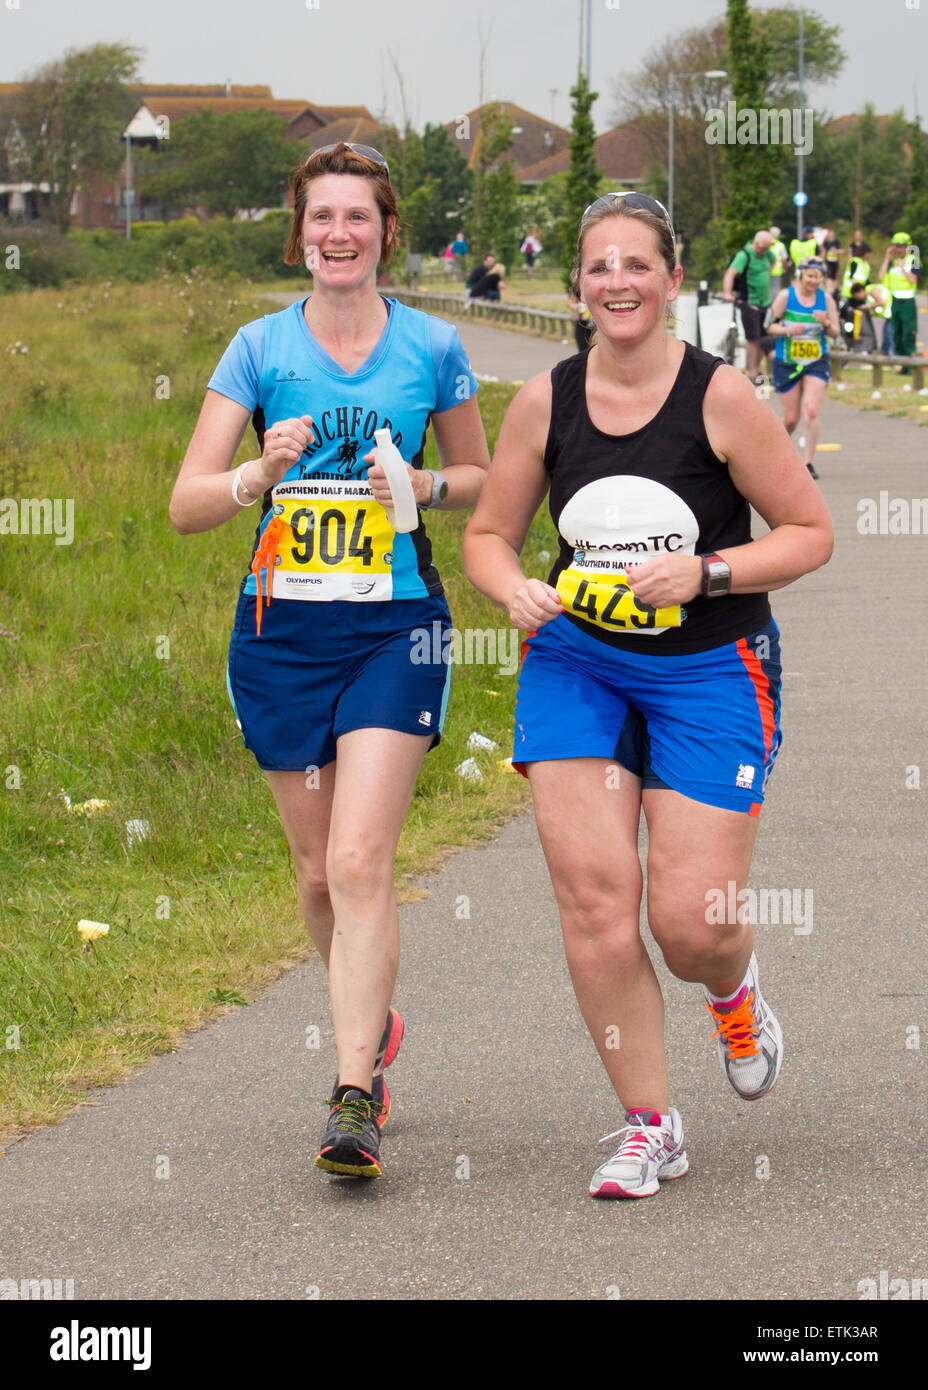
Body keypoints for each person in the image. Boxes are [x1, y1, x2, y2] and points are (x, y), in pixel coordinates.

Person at [462, 191, 833, 1201]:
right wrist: (514, 588)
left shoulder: (719, 398)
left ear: (673, 280)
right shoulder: (545, 399)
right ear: (578, 285)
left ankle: (733, 988)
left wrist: (708, 572)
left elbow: (807, 531)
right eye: (598, 267)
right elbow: (487, 534)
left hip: (711, 664)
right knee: (593, 898)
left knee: (688, 921)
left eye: (638, 265)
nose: (617, 282)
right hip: (577, 659)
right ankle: (648, 1124)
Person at [169, 142, 489, 1181]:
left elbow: (481, 475)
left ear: (387, 232)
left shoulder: (432, 345)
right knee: (315, 874)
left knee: (359, 860)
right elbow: (184, 505)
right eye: (320, 218)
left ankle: (354, 1093)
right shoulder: (257, 349)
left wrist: (423, 488)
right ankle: (372, 1015)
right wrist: (258, 471)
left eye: (357, 217)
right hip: (279, 638)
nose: (338, 235)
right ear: (299, 231)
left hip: (397, 628)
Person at [768, 257, 840, 480]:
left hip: (816, 361)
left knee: (811, 410)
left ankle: (807, 463)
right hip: (787, 361)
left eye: (817, 276)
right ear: (801, 275)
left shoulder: (826, 299)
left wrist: (826, 322)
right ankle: (772, 453)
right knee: (791, 419)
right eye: (809, 275)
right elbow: (768, 326)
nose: (813, 280)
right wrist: (789, 331)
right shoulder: (785, 297)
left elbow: (836, 332)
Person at [723, 229, 774, 381]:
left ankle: (759, 369)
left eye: (767, 248)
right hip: (749, 302)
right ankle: (752, 372)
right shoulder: (744, 255)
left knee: (764, 338)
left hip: (765, 302)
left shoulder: (767, 255)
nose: (764, 251)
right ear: (756, 244)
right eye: (763, 248)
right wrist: (727, 293)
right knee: (753, 338)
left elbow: (774, 263)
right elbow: (730, 273)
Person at [879, 232, 919, 369]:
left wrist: (902, 268)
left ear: (908, 247)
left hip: (907, 302)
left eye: (902, 246)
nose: (899, 249)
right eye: (896, 246)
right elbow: (881, 277)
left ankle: (910, 365)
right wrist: (886, 258)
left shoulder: (914, 260)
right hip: (895, 302)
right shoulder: (892, 262)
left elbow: (913, 279)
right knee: (897, 335)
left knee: (907, 335)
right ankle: (902, 365)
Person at [768, 226, 789, 298]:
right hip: (777, 271)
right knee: (775, 289)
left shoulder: (766, 243)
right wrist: (784, 268)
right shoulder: (780, 245)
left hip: (765, 270)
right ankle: (774, 305)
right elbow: (784, 258)